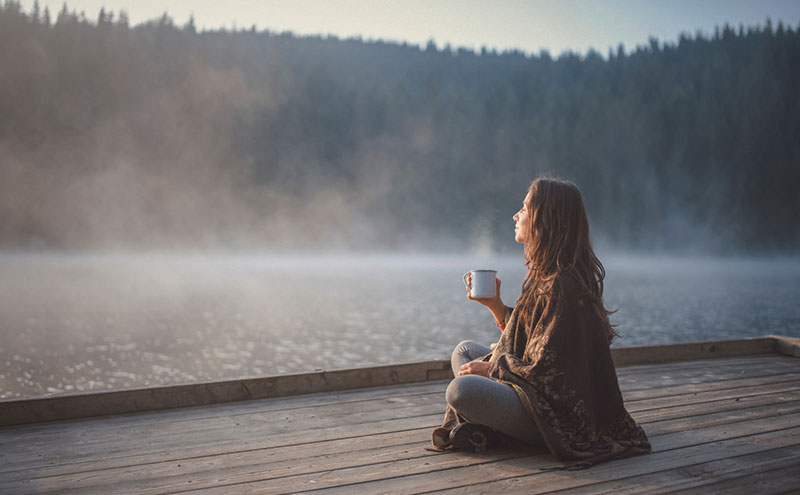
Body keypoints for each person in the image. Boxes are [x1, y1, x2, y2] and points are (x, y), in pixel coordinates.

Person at [431, 176, 651, 469]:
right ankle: (492, 422)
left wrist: (493, 369)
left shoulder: (563, 284)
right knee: (465, 351)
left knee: (461, 391)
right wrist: (496, 306)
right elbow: (530, 338)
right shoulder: (546, 274)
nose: (516, 215)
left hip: (558, 416)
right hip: (532, 391)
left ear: (545, 218)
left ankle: (499, 429)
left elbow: (549, 373)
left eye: (524, 208)